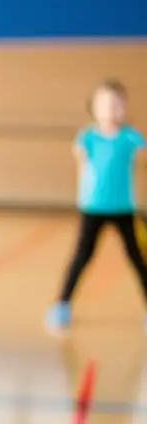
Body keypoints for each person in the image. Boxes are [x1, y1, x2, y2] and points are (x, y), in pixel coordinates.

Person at [46, 79, 147, 334]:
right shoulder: (87, 137)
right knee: (82, 256)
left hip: (124, 208)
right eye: (105, 104)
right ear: (94, 108)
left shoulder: (130, 137)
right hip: (93, 208)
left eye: (116, 104)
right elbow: (83, 166)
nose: (111, 109)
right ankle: (62, 305)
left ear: (124, 108)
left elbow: (140, 160)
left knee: (137, 258)